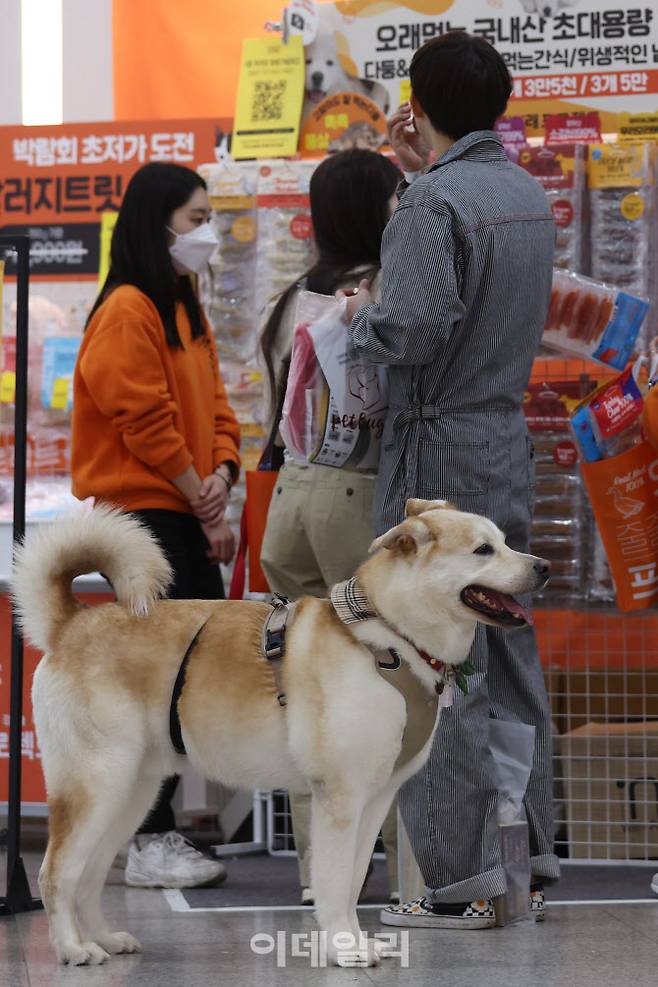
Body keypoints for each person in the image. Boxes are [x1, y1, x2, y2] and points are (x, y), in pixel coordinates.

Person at [342, 32, 560, 928]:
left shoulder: (431, 205)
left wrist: (361, 319)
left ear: (420, 101)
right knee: (506, 649)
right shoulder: (523, 194)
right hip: (502, 441)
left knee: (440, 657)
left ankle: (462, 878)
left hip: (437, 455)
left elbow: (415, 332)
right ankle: (524, 860)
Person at [72, 162, 240, 890]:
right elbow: (139, 416)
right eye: (195, 219)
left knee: (186, 675)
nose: (206, 233)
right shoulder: (127, 309)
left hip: (180, 506)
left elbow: (219, 407)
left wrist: (222, 477)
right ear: (157, 220)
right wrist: (195, 490)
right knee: (162, 680)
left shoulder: (183, 302)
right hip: (141, 514)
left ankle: (149, 831)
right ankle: (147, 837)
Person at [259, 149, 401, 905]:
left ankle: (320, 873)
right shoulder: (376, 292)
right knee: (385, 679)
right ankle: (394, 858)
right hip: (357, 495)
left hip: (290, 499)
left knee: (303, 684)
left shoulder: (291, 298)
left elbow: (276, 414)